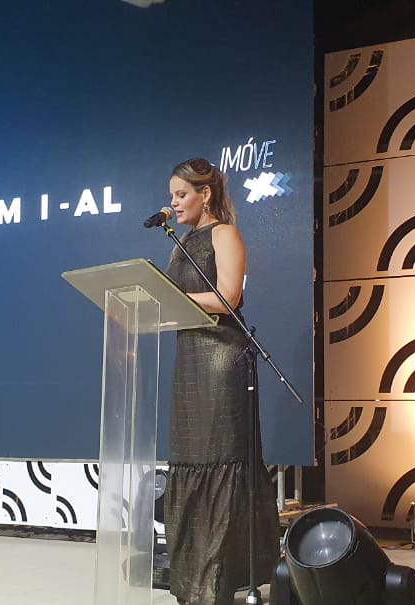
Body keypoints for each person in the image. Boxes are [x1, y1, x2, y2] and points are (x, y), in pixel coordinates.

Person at [161, 158, 278, 605]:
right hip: (190, 358)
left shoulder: (223, 234)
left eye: (181, 194)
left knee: (221, 460)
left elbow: (229, 296)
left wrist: (172, 295)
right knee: (192, 460)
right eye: (172, 196)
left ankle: (221, 581)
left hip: (221, 358)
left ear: (204, 194)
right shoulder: (180, 243)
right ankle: (194, 582)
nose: (174, 203)